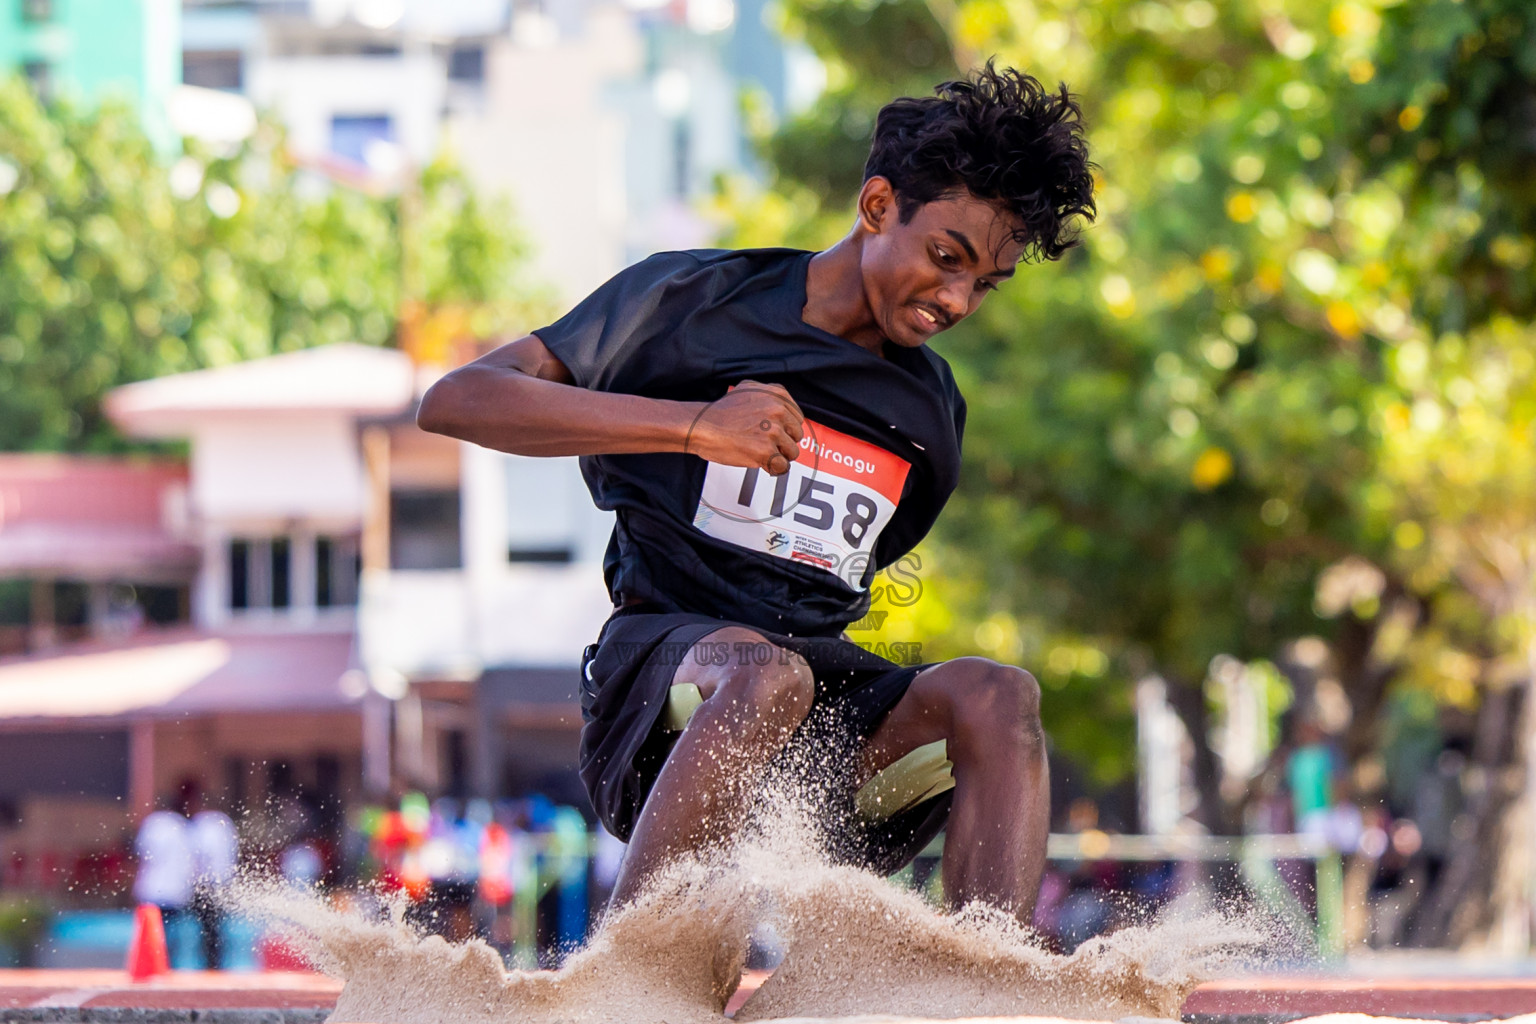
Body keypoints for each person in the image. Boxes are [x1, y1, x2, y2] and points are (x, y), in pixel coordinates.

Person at [418, 63, 1095, 924]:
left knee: (1001, 694)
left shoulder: (930, 414)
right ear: (879, 206)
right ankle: (629, 980)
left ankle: (984, 987)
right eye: (945, 258)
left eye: (984, 284)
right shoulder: (692, 302)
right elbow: (456, 401)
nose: (956, 300)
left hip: (826, 749)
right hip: (670, 696)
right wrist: (696, 426)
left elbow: (852, 569)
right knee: (765, 678)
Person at [133, 789, 195, 966]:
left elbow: (142, 855)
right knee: (172, 935)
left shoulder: (152, 824)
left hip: (151, 888)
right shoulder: (184, 826)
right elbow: (191, 861)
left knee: (150, 934)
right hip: (175, 890)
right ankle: (167, 966)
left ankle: (151, 964)